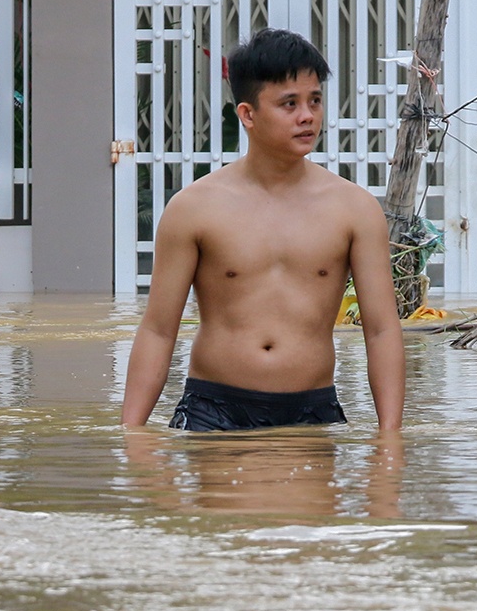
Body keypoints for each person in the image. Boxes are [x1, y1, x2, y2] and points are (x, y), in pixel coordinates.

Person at [120, 28, 405, 433]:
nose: (307, 116)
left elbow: (381, 330)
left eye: (315, 101)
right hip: (213, 408)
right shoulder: (194, 208)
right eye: (289, 104)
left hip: (312, 408)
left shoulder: (354, 209)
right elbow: (158, 329)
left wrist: (389, 437)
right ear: (248, 114)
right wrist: (131, 435)